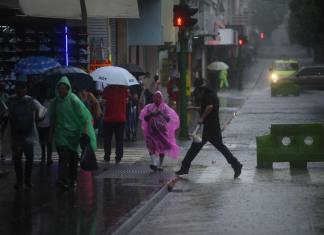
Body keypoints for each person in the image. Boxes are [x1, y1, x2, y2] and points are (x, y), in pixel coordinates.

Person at [175, 85, 242, 178]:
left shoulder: (208, 97)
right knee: (221, 147)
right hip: (214, 126)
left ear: (202, 92)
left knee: (194, 147)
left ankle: (184, 167)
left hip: (209, 127)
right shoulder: (212, 96)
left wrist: (202, 118)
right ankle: (236, 165)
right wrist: (192, 108)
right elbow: (205, 108)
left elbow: (209, 107)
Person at [50, 76, 96, 189]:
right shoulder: (55, 102)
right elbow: (53, 118)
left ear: (68, 88)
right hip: (61, 134)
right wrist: (51, 134)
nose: (61, 90)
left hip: (74, 134)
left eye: (64, 88)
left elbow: (84, 117)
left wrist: (85, 132)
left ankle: (72, 179)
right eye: (59, 88)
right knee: (63, 156)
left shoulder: (74, 100)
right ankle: (62, 179)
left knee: (73, 158)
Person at [7, 81, 46, 190]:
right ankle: (21, 181)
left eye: (22, 89)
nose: (20, 91)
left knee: (28, 160)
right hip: (17, 136)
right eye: (19, 89)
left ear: (26, 90)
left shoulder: (30, 101)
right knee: (18, 160)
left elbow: (42, 111)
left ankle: (26, 181)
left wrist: (39, 117)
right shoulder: (11, 101)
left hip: (28, 136)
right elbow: (5, 113)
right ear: (16, 90)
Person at [140, 91, 180, 171]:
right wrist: (152, 114)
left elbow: (168, 119)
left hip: (162, 132)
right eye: (155, 97)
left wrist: (160, 113)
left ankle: (160, 164)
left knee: (162, 148)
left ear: (161, 98)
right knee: (150, 146)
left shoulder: (165, 107)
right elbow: (145, 118)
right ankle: (154, 163)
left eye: (159, 97)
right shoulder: (149, 107)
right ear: (153, 98)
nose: (157, 99)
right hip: (151, 131)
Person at [102, 85, 128, 163]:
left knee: (107, 139)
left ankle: (107, 156)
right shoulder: (123, 89)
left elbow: (104, 101)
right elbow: (126, 101)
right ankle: (118, 156)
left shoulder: (107, 89)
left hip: (109, 118)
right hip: (120, 118)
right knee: (119, 139)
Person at [37, 88, 53, 166]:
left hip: (49, 125)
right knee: (42, 143)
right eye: (47, 92)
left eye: (49, 92)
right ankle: (43, 159)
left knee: (49, 143)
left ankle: (49, 159)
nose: (48, 93)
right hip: (41, 125)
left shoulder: (52, 102)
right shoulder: (41, 101)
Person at [0, 82, 9, 161]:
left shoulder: (6, 96)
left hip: (4, 120)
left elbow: (7, 109)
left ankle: (3, 153)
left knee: (3, 137)